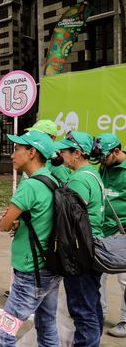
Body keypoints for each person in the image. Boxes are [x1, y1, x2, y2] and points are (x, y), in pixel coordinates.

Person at [0, 130, 61, 346]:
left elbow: (4, 225)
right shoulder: (53, 180)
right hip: (51, 269)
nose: (12, 155)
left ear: (32, 152)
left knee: (4, 335)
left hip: (30, 274)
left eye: (17, 149)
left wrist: (12, 221)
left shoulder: (30, 186)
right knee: (47, 325)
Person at [56, 131, 105, 346]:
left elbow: (68, 218)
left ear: (77, 153)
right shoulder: (93, 174)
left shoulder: (79, 179)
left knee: (81, 308)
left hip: (80, 249)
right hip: (93, 245)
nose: (60, 154)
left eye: (65, 151)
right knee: (91, 302)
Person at [94, 133, 126, 338]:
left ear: (116, 151)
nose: (102, 162)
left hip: (124, 228)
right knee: (98, 275)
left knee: (125, 278)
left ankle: (125, 320)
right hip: (104, 228)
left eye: (105, 157)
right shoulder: (104, 166)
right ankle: (99, 313)